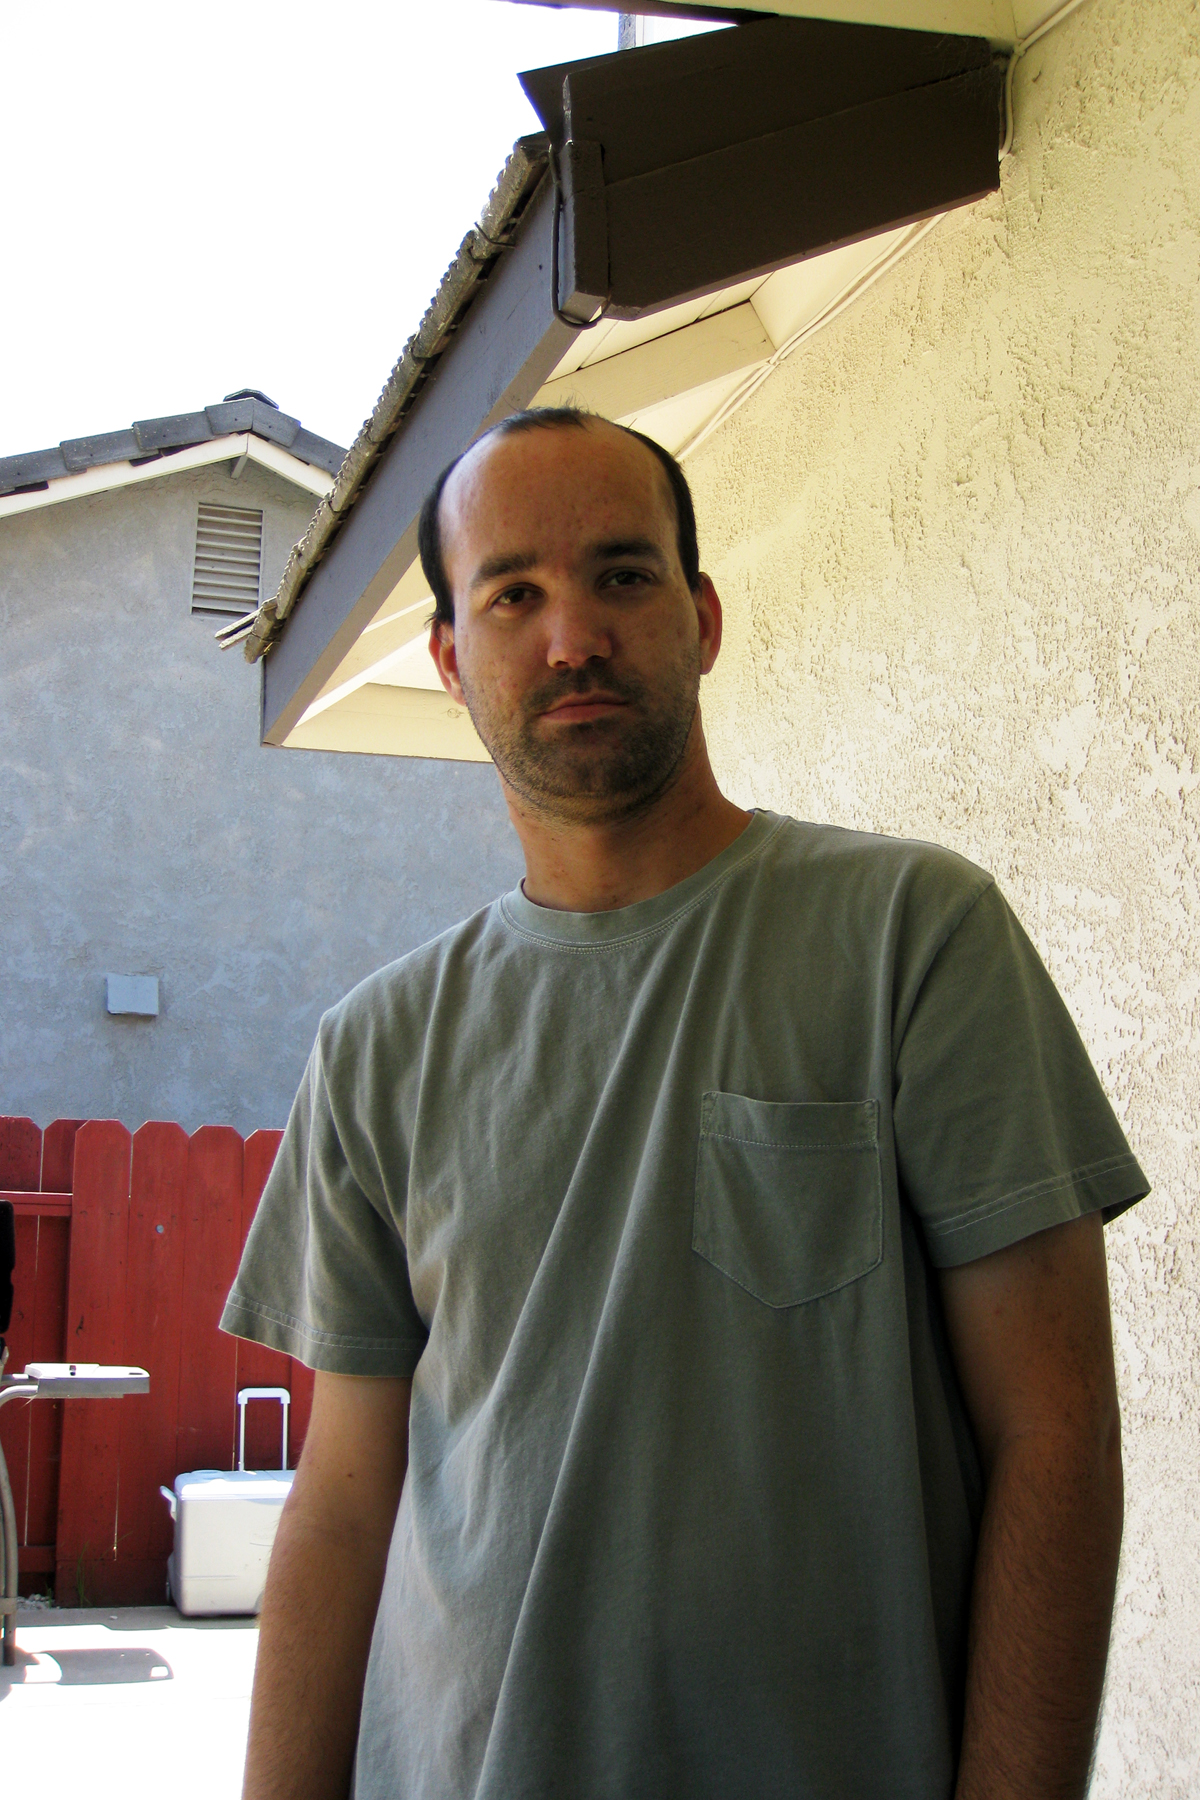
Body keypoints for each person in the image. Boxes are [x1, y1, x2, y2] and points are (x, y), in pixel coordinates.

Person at [223, 407, 1148, 1800]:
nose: (572, 638)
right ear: (450, 661)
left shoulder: (914, 939)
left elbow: (1056, 1438)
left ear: (702, 619)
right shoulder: (376, 1048)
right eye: (512, 594)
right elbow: (344, 1509)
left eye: (622, 575)